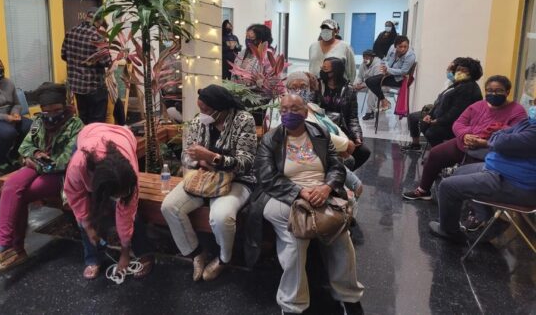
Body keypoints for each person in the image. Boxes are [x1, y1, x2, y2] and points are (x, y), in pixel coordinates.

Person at [252, 94, 364, 314]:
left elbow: (336, 166)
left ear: (305, 112)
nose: (288, 113)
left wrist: (326, 187)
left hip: (321, 192)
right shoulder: (271, 139)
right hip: (283, 195)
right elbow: (267, 177)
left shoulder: (319, 133)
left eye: (294, 109)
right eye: (284, 110)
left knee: (342, 241)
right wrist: (299, 192)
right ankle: (292, 304)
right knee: (295, 243)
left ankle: (349, 297)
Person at [0, 84, 83, 274]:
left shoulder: (76, 125)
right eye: (47, 111)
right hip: (37, 164)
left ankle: (17, 249)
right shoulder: (39, 122)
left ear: (65, 105)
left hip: (59, 174)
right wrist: (34, 153)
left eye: (57, 110)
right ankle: (2, 246)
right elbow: (25, 146)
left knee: (23, 194)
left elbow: (64, 162)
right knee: (10, 187)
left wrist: (35, 162)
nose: (51, 115)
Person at [161, 85, 257, 281]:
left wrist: (214, 158)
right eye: (200, 108)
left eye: (205, 109)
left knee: (221, 216)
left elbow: (246, 163)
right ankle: (196, 253)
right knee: (169, 207)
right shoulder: (199, 121)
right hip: (203, 177)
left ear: (220, 108)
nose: (201, 113)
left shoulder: (243, 120)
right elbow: (186, 155)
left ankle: (224, 258)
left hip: (237, 180)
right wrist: (200, 162)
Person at [402, 75, 527, 201]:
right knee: (435, 154)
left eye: (498, 91)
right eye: (489, 90)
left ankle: (474, 205)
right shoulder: (478, 106)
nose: (493, 94)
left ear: (507, 92)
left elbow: (516, 137)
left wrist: (484, 142)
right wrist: (465, 135)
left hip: (490, 151)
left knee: (471, 176)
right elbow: (459, 123)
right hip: (464, 143)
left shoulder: (517, 111)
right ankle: (423, 190)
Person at [429, 103, 536, 243]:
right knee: (459, 172)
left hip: (516, 184)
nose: (533, 106)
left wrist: (499, 135)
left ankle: (450, 232)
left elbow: (500, 141)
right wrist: (499, 136)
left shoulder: (533, 131)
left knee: (447, 186)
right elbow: (499, 136)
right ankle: (486, 217)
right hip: (499, 170)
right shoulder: (529, 122)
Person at [64, 123, 154, 280]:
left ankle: (143, 253)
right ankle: (92, 258)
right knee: (87, 213)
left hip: (122, 137)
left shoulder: (128, 171)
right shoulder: (77, 166)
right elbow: (76, 197)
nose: (119, 199)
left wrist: (125, 252)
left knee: (131, 210)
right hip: (88, 134)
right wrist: (88, 228)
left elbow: (126, 212)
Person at [285, 72, 363, 210]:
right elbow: (314, 133)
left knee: (355, 179)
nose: (299, 91)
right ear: (287, 89)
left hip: (330, 150)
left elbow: (332, 126)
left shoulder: (311, 107)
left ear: (310, 88)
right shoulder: (290, 111)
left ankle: (346, 206)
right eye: (294, 87)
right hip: (315, 155)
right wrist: (345, 144)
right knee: (355, 186)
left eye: (303, 86)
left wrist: (345, 141)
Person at [401, 57, 483, 151]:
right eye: (458, 69)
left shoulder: (469, 88)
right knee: (424, 124)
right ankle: (434, 150)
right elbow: (439, 101)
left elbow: (456, 111)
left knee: (432, 132)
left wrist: (438, 121)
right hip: (442, 118)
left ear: (472, 73)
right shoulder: (458, 84)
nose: (459, 72)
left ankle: (442, 154)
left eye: (464, 70)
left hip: (456, 123)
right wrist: (430, 115)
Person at [61, 8, 112, 125]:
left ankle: (84, 137)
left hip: (77, 87)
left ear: (86, 17)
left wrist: (76, 61)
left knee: (83, 119)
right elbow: (106, 62)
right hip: (94, 87)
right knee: (97, 123)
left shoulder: (70, 32)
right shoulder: (97, 36)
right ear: (100, 20)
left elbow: (63, 55)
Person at [319, 58, 371, 170]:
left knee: (363, 152)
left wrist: (357, 136)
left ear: (336, 71)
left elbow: (352, 117)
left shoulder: (349, 90)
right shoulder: (318, 86)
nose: (322, 71)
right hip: (321, 128)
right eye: (322, 68)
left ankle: (343, 173)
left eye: (325, 69)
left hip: (340, 128)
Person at [231, 23, 274, 125]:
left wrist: (261, 82)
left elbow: (273, 82)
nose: (248, 41)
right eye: (247, 38)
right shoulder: (243, 53)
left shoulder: (268, 55)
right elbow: (234, 73)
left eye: (252, 38)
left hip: (258, 103)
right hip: (239, 99)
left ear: (261, 39)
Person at [364, 35, 416, 115]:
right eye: (400, 46)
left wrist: (388, 70)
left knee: (371, 82)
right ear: (395, 46)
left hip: (399, 79)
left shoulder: (410, 56)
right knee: (369, 81)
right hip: (389, 74)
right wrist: (385, 67)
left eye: (405, 47)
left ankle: (383, 102)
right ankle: (383, 101)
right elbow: (387, 60)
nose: (403, 49)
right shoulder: (392, 48)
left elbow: (403, 71)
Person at [353, 50, 382, 120]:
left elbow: (376, 80)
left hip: (378, 84)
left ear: (372, 57)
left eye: (367, 57)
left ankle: (370, 112)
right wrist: (357, 84)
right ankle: (352, 106)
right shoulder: (363, 64)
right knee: (353, 87)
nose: (365, 59)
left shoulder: (378, 65)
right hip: (367, 83)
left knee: (372, 90)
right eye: (364, 57)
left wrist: (363, 85)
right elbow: (360, 77)